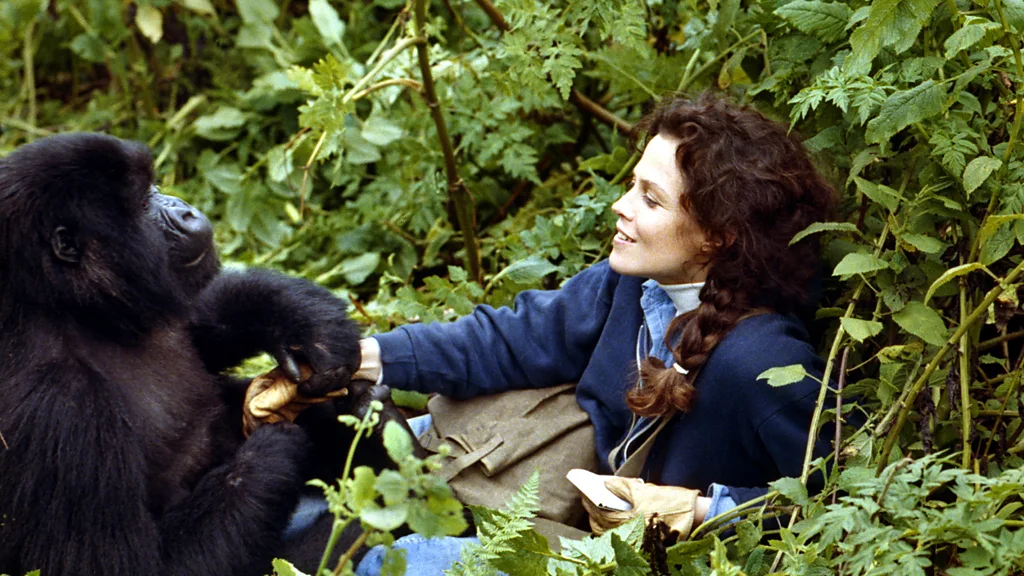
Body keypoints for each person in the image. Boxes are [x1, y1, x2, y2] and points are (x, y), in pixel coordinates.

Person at [351, 92, 837, 575]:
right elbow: (512, 340)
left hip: (668, 561)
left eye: (650, 199)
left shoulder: (764, 362)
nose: (619, 206)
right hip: (589, 518)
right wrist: (362, 357)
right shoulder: (630, 284)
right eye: (631, 185)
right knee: (349, 462)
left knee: (402, 560)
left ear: (717, 235)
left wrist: (696, 511)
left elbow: (834, 494)